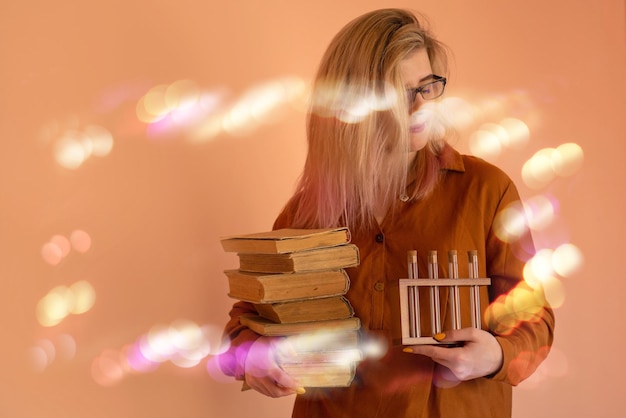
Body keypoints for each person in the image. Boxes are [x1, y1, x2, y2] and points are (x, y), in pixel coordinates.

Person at [219, 8, 555, 417]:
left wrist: (497, 355)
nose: (419, 108)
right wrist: (257, 359)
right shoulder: (307, 211)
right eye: (397, 94)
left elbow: (535, 322)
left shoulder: (486, 190)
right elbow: (247, 323)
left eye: (427, 87)